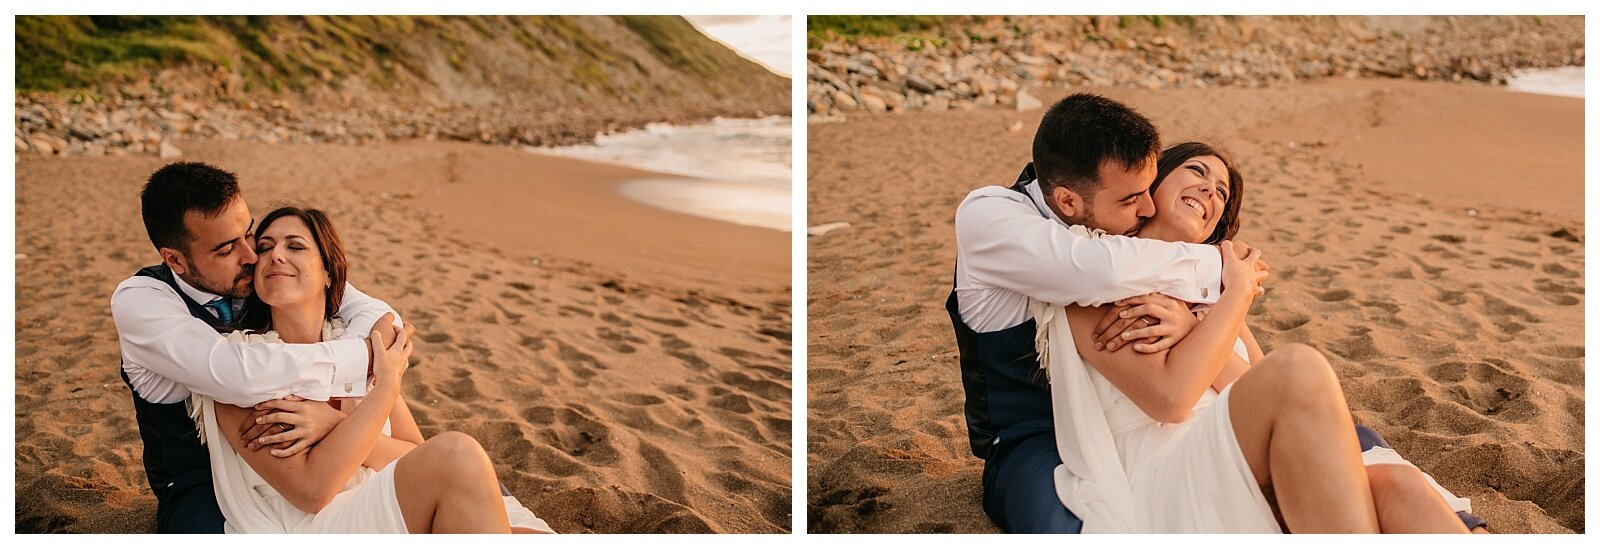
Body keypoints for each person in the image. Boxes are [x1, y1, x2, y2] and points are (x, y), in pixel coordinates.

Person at [948, 94, 1485, 533]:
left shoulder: (1204, 287)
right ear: (1155, 190)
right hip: (1160, 457)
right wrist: (1234, 287)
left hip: (1238, 437)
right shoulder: (1079, 270)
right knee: (1299, 369)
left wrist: (1204, 321)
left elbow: (1256, 385)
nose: (1210, 190)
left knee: (1400, 488)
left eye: (1221, 192)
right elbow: (1171, 397)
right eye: (1196, 173)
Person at [191, 206, 551, 533]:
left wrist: (334, 425)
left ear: (329, 274)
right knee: (457, 454)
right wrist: (385, 388)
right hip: (317, 523)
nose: (276, 255)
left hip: (389, 497)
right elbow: (311, 490)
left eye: (295, 246)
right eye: (266, 247)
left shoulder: (355, 348)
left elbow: (413, 453)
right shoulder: (239, 365)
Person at [112, 161, 403, 532]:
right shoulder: (142, 300)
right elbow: (237, 374)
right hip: (204, 485)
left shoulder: (257, 278)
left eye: (248, 234)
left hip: (300, 465)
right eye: (226, 248)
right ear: (174, 260)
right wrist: (366, 359)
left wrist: (342, 410)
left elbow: (376, 311)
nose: (252, 256)